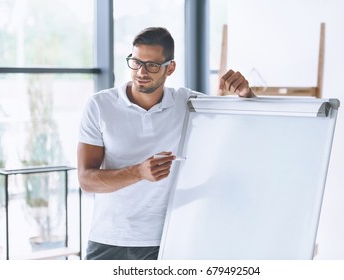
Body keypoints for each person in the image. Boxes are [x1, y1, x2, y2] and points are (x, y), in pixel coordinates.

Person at [77, 27, 256, 260]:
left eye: (152, 65)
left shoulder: (187, 103)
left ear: (170, 68)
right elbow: (86, 180)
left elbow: (249, 124)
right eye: (136, 62)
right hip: (110, 240)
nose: (141, 72)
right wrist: (138, 172)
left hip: (169, 241)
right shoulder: (99, 105)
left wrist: (246, 93)